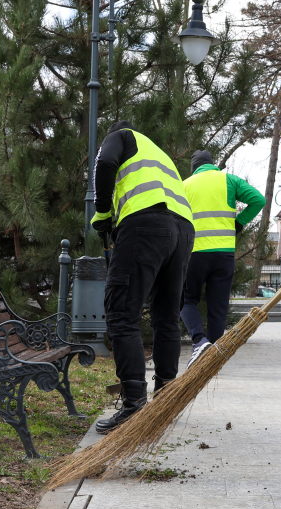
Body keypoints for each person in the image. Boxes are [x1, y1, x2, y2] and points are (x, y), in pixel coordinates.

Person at [90, 121, 195, 434]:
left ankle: (134, 404)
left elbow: (105, 162)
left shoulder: (121, 136)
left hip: (146, 223)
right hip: (183, 231)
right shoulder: (160, 154)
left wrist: (102, 212)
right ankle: (165, 398)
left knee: (122, 313)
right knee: (165, 317)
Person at [180, 150, 266, 366]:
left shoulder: (185, 185)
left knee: (185, 299)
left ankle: (199, 341)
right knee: (218, 306)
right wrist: (238, 222)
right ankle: (214, 356)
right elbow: (258, 200)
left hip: (195, 253)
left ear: (194, 168)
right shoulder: (229, 180)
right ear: (212, 165)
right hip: (224, 253)